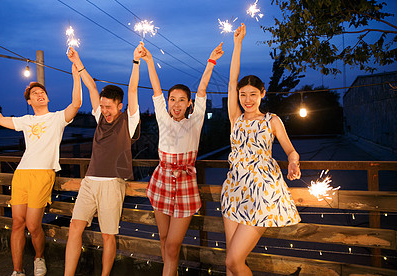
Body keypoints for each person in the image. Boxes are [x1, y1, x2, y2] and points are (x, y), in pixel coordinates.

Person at [0, 58, 82, 276]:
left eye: (42, 92)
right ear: (30, 102)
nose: (39, 94)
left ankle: (38, 257)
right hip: (22, 174)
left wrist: (76, 75)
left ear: (47, 97)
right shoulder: (26, 120)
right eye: (34, 94)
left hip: (43, 175)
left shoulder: (57, 118)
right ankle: (17, 270)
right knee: (17, 223)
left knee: (33, 225)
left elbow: (76, 104)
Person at [221, 23, 301, 276]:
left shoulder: (272, 120)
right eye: (243, 94)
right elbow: (232, 78)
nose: (247, 99)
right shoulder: (236, 118)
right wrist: (237, 44)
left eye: (253, 94)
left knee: (234, 261)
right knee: (230, 263)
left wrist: (294, 162)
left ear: (262, 94)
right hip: (234, 189)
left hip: (262, 193)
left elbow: (291, 150)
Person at [142, 42, 224, 276]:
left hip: (186, 184)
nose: (176, 104)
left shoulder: (195, 121)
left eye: (181, 100)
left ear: (189, 104)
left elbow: (202, 90)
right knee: (164, 237)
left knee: (173, 244)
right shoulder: (164, 119)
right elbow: (156, 90)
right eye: (172, 99)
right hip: (162, 180)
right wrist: (149, 60)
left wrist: (211, 61)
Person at [64, 44, 142, 276]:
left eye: (109, 107)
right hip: (89, 181)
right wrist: (78, 62)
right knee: (74, 227)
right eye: (102, 106)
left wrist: (135, 62)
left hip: (112, 183)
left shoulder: (129, 121)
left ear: (120, 106)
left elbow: (134, 90)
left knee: (108, 235)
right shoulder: (99, 117)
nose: (104, 110)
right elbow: (90, 85)